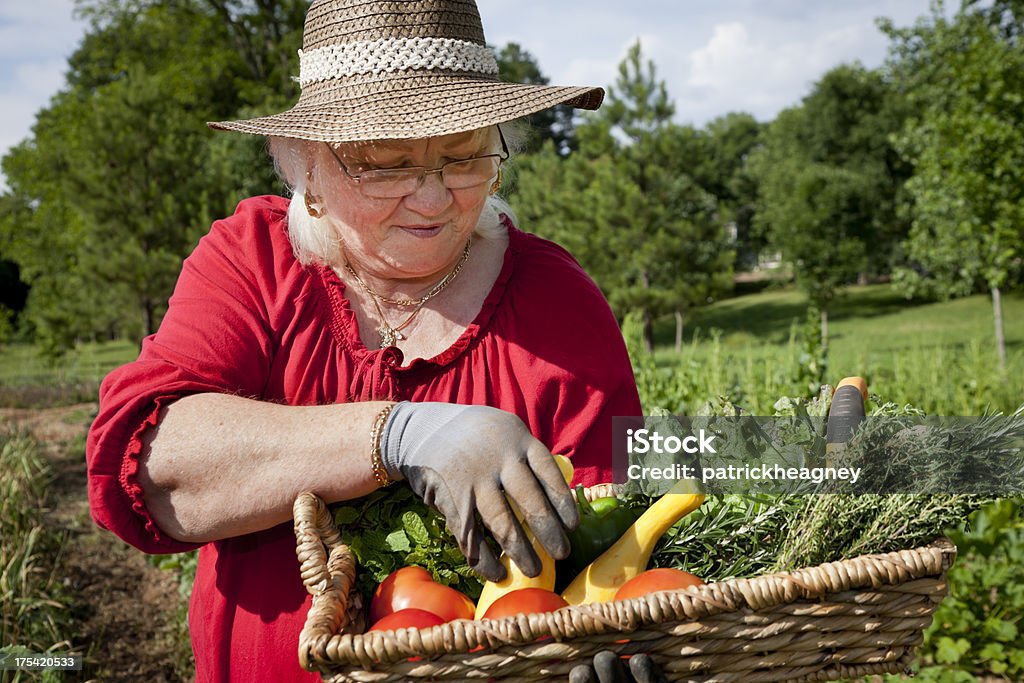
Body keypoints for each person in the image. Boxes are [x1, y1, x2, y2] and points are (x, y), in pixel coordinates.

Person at [86, 0, 648, 680]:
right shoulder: (253, 262)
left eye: (464, 155)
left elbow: (618, 523)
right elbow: (154, 467)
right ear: (306, 168)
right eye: (386, 164)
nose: (435, 198)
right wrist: (396, 434)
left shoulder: (557, 303)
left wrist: (609, 635)